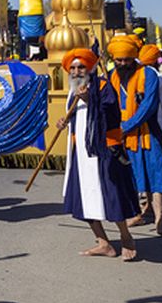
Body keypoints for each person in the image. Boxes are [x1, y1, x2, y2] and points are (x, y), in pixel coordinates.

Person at [57, 48, 140, 260]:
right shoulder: (73, 90)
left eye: (81, 67)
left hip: (104, 150)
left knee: (112, 195)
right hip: (81, 153)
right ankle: (103, 242)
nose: (76, 71)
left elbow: (111, 114)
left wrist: (89, 100)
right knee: (85, 198)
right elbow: (76, 117)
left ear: (90, 68)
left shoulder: (103, 86)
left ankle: (126, 238)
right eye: (72, 68)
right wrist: (65, 121)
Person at [107, 35, 162, 237]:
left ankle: (160, 219)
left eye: (127, 60)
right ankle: (137, 213)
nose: (123, 64)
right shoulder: (111, 76)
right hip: (122, 137)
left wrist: (126, 126)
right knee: (130, 178)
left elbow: (148, 106)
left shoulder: (148, 74)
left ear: (133, 58)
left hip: (147, 133)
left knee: (156, 176)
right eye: (119, 60)